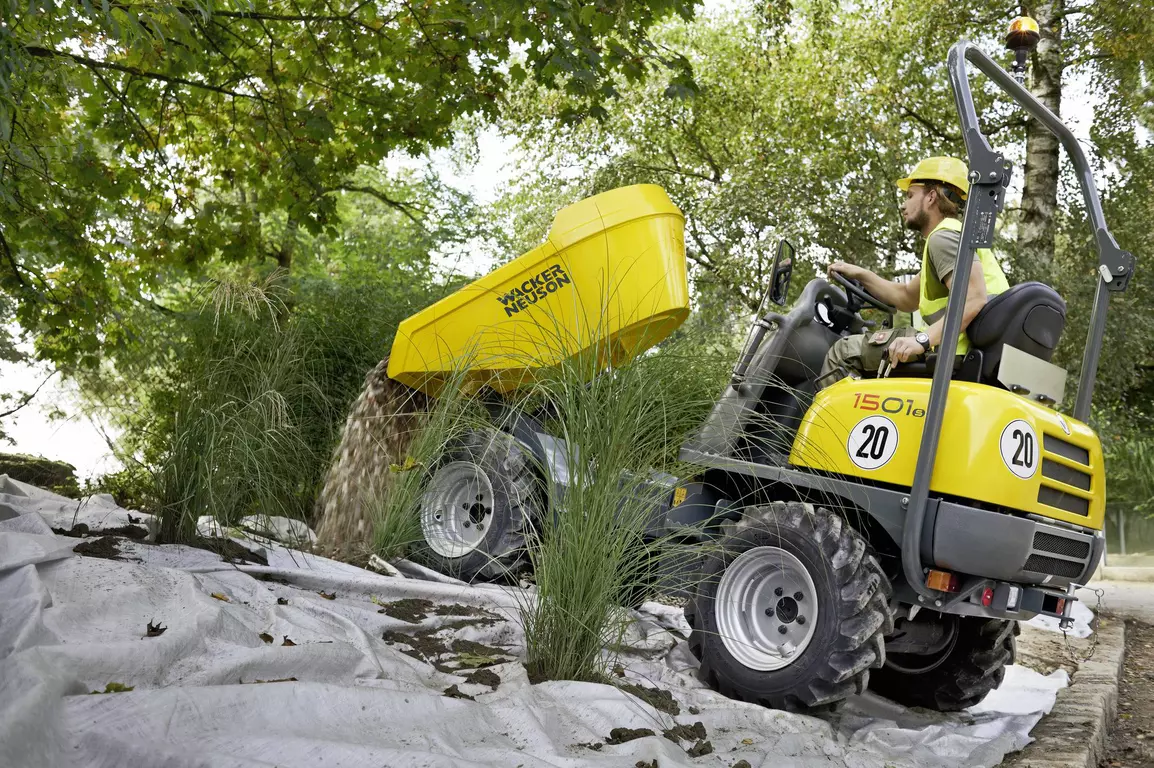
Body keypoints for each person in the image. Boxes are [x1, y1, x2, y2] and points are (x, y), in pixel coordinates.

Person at [818, 156, 1010, 386]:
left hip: (950, 349)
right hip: (959, 346)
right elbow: (907, 297)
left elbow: (974, 298)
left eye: (910, 196)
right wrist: (860, 274)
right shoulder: (955, 237)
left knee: (842, 352)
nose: (903, 205)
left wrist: (922, 340)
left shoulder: (944, 238)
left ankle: (822, 423)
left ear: (931, 196)